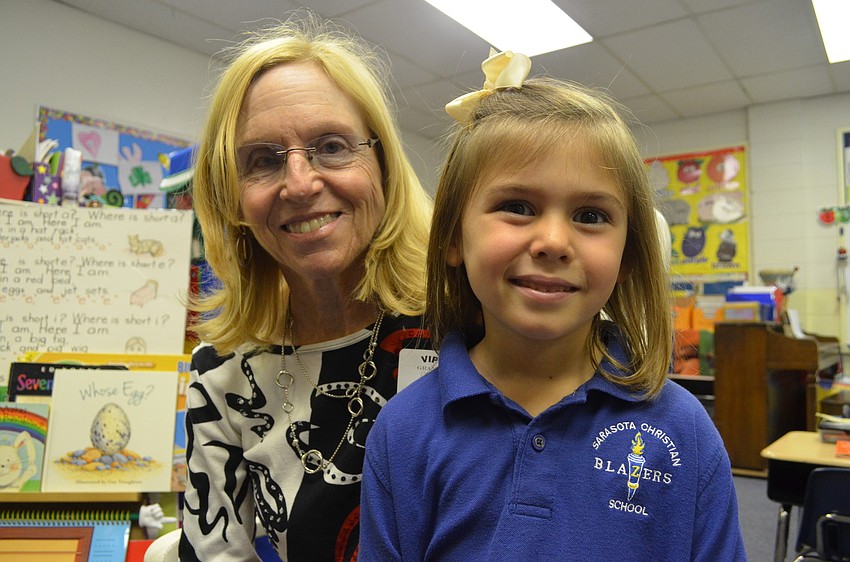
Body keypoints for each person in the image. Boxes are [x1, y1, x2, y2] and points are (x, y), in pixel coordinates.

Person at [359, 50, 747, 561]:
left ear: (627, 256)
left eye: (590, 214)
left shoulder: (683, 428)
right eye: (517, 207)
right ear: (454, 237)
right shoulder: (405, 429)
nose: (553, 241)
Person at [179, 13, 434, 562]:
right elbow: (214, 550)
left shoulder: (466, 331)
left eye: (332, 146)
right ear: (232, 196)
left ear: (383, 166)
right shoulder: (223, 373)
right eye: (263, 161)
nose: (300, 183)